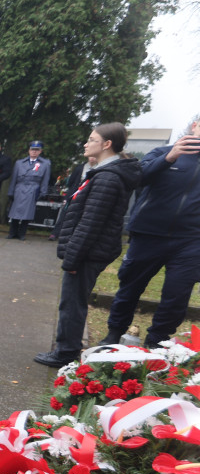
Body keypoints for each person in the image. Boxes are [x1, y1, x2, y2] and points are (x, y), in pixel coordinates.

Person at [34, 123, 141, 367]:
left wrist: (73, 259)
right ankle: (67, 348)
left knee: (72, 303)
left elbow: (90, 223)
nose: (85, 143)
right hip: (90, 250)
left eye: (91, 139)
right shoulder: (104, 173)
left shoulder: (107, 178)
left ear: (106, 144)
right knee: (72, 300)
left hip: (88, 252)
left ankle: (66, 352)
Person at [100, 115, 200, 348]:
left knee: (177, 294)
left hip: (191, 241)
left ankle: (157, 342)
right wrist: (168, 158)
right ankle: (115, 333)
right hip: (148, 234)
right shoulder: (162, 151)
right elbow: (138, 178)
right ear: (194, 125)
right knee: (130, 286)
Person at [7, 140, 51, 239]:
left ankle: (22, 234)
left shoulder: (45, 164)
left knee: (27, 213)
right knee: (15, 212)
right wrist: (11, 191)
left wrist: (43, 192)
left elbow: (45, 179)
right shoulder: (19, 163)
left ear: (40, 151)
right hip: (19, 188)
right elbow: (14, 178)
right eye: (32, 149)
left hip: (32, 189)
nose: (34, 152)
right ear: (29, 150)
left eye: (37, 150)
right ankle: (12, 233)